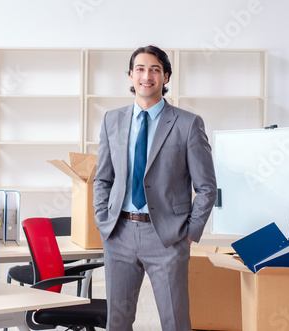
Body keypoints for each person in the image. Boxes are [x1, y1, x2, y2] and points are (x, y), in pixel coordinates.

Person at [93, 45, 217, 330]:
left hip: (167, 238)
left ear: (166, 76)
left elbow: (207, 186)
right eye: (140, 69)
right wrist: (103, 220)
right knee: (118, 322)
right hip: (119, 234)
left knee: (174, 321)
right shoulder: (112, 120)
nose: (146, 75)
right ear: (130, 76)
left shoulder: (187, 124)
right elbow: (103, 178)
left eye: (155, 69)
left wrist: (188, 234)